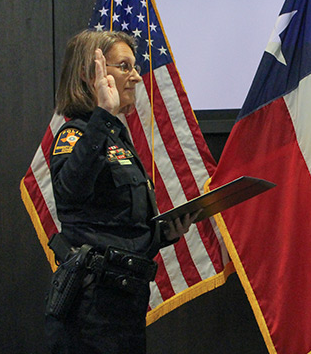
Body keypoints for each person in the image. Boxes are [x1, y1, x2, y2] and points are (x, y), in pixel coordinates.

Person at [45, 30, 197, 353]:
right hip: (90, 311)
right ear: (91, 76)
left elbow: (118, 228)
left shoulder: (116, 139)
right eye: (124, 66)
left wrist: (165, 232)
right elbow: (70, 192)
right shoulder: (75, 136)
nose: (136, 77)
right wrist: (102, 113)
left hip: (125, 309)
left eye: (135, 66)